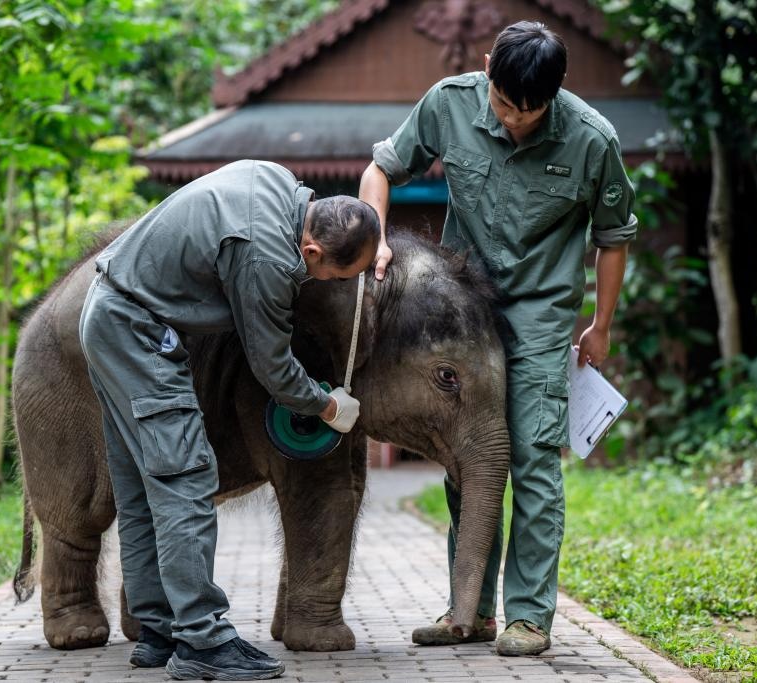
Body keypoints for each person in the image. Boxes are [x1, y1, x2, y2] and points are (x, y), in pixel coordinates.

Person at [359, 21, 637, 656]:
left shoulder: (593, 140)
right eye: (503, 103)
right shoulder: (448, 102)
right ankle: (470, 611)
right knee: (468, 459)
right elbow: (381, 170)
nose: (513, 120)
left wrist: (601, 326)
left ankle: (529, 616)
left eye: (528, 110)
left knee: (532, 458)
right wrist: (375, 238)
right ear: (486, 70)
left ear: (555, 95)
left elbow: (615, 236)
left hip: (541, 314)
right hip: (462, 312)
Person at [79, 160, 379, 680]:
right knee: (187, 477)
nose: (324, 282)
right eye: (332, 275)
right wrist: (326, 405)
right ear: (311, 252)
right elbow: (273, 368)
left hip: (107, 314)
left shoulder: (276, 180)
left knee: (140, 482)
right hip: (136, 331)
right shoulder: (267, 257)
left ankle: (159, 631)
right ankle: (202, 641)